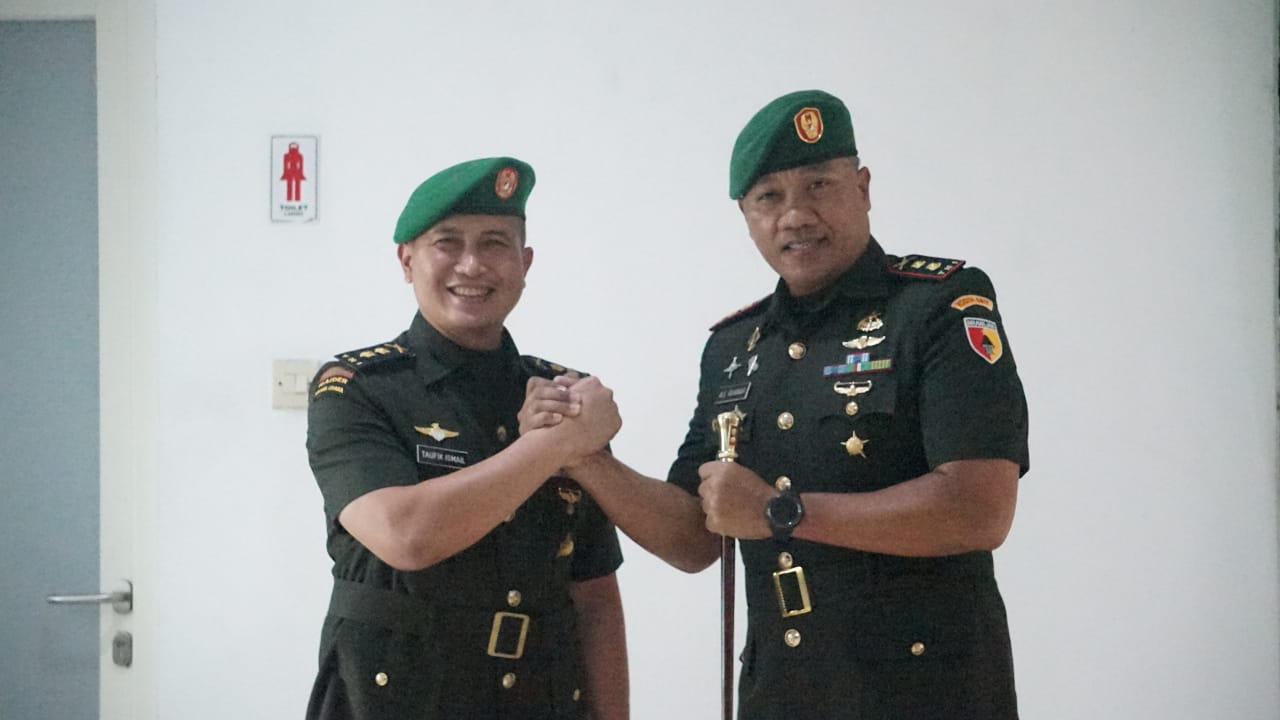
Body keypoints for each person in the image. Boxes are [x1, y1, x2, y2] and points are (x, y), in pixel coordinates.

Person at [525, 90, 1029, 718]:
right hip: (782, 693)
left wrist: (780, 513)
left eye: (818, 185)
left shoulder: (939, 306)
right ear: (745, 214)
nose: (796, 215)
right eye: (769, 197)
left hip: (925, 694)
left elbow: (979, 510)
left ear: (863, 188)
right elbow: (695, 535)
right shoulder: (734, 347)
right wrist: (585, 458)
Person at [305, 156, 630, 720]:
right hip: (399, 700)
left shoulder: (563, 396)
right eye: (447, 242)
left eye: (495, 243)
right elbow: (405, 535)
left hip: (540, 698)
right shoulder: (357, 387)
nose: (472, 264)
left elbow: (594, 594)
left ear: (525, 263)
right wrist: (551, 447)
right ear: (406, 260)